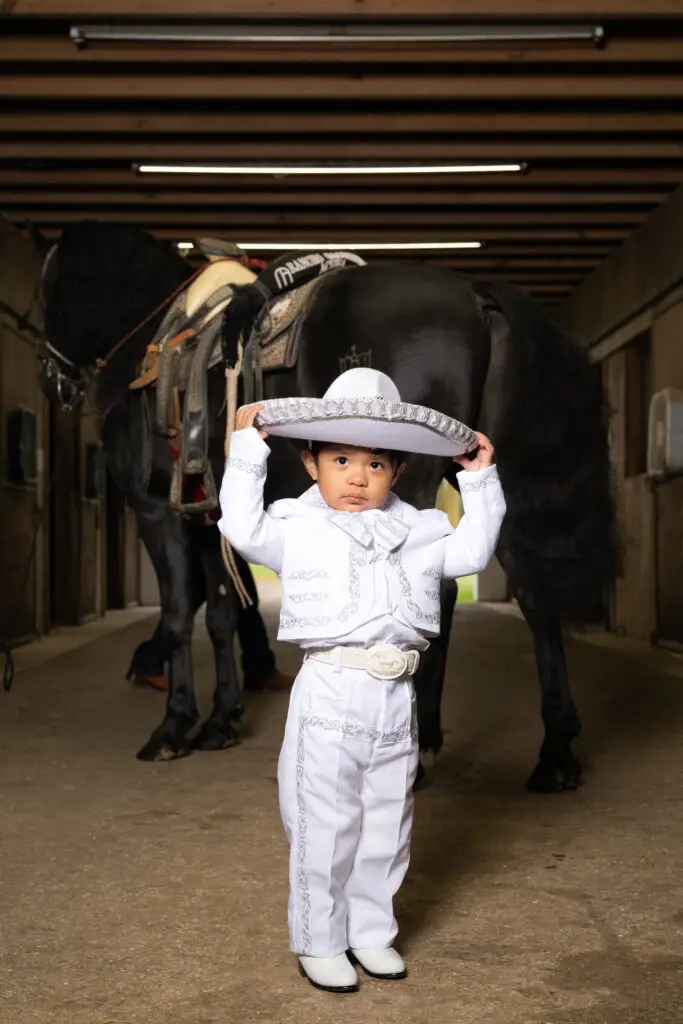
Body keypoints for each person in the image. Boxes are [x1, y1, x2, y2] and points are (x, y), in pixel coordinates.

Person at [218, 367, 506, 993]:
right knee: (324, 822)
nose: (357, 475)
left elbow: (475, 553)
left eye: (376, 464)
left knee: (386, 822)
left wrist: (479, 479)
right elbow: (240, 529)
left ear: (398, 472)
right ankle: (320, 939)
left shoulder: (423, 530)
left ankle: (372, 932)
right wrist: (246, 455)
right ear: (311, 461)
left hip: (395, 699)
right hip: (329, 691)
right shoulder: (294, 526)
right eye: (342, 459)